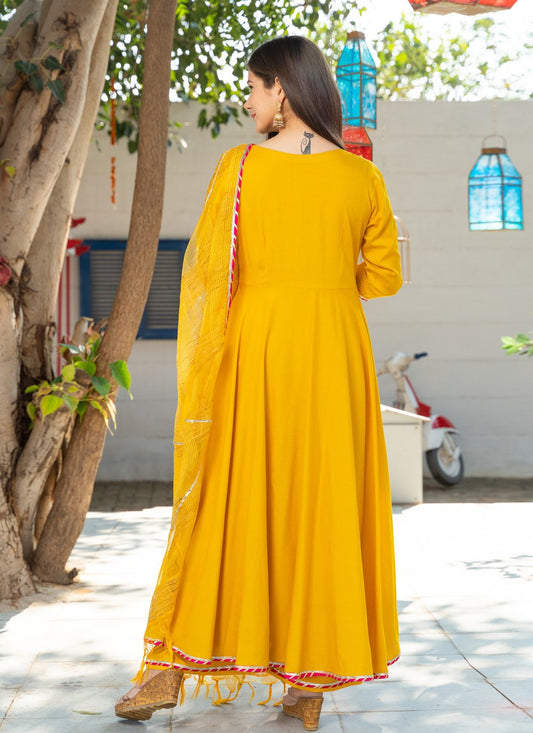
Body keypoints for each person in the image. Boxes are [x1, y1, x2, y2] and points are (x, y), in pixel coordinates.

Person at [115, 35, 402, 731]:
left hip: (256, 346)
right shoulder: (361, 176)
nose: (248, 102)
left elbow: (211, 271)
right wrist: (328, 277)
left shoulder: (240, 167)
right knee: (321, 502)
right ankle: (308, 685)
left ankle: (169, 669)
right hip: (334, 350)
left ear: (281, 89)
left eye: (252, 87)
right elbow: (385, 277)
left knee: (227, 495)